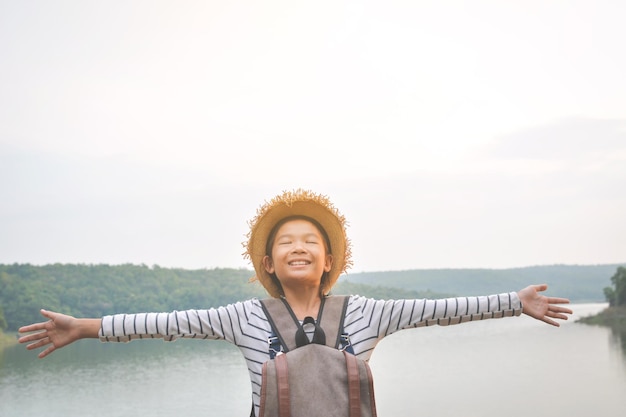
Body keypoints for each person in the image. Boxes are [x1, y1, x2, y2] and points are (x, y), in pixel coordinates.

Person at [19, 189, 573, 416]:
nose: (299, 247)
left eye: (311, 241)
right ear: (268, 264)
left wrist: (513, 301)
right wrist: (86, 327)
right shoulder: (240, 318)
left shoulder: (369, 313)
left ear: (329, 261)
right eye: (286, 241)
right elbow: (163, 323)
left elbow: (441, 310)